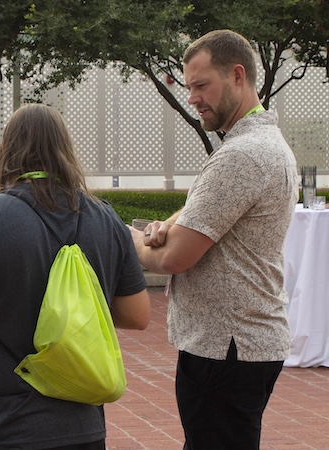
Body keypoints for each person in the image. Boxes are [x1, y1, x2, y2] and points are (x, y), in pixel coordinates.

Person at [0, 103, 150, 449]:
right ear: (66, 150)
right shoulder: (106, 218)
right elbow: (137, 315)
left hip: (0, 425)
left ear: (7, 151)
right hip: (82, 425)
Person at [130, 30, 298, 450]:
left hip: (226, 348)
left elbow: (172, 259)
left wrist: (121, 236)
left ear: (237, 75)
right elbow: (198, 212)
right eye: (189, 87)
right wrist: (165, 225)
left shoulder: (240, 155)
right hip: (240, 345)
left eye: (201, 85)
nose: (192, 98)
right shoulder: (261, 144)